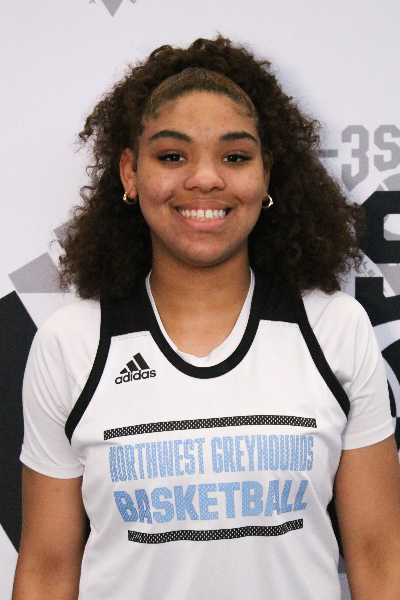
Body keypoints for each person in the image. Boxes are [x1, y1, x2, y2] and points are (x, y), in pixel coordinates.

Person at [12, 37, 400, 600]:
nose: (205, 179)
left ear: (266, 175)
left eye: (235, 156)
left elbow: (379, 557)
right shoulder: (70, 344)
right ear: (130, 173)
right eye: (172, 156)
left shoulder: (335, 329)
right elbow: (47, 570)